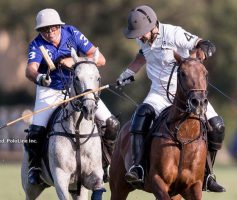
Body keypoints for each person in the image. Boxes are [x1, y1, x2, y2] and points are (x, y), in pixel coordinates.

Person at [117, 5, 225, 192]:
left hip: (186, 94)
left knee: (217, 126)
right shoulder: (143, 38)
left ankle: (207, 174)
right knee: (140, 117)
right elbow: (143, 55)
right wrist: (128, 72)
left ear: (153, 25)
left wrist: (196, 58)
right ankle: (138, 167)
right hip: (158, 93)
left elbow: (204, 44)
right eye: (137, 35)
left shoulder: (173, 33)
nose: (139, 37)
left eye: (142, 33)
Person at [25, 8, 120, 185]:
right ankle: (35, 168)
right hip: (50, 90)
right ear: (40, 31)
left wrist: (73, 61)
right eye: (46, 30)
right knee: (36, 130)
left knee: (111, 124)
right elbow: (30, 69)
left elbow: (100, 59)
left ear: (60, 26)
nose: (51, 33)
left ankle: (108, 162)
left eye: (54, 28)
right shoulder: (36, 45)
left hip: (79, 89)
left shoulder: (72, 32)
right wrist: (40, 77)